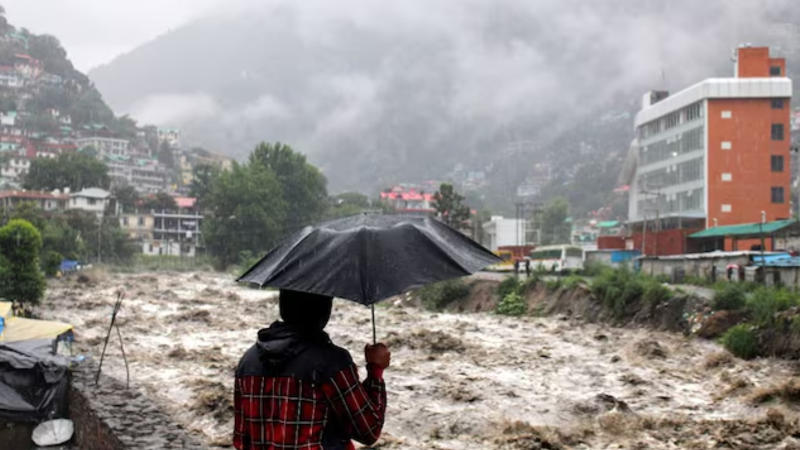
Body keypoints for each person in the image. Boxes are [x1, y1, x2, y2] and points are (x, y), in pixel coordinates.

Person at [234, 289, 390, 450]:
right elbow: (368, 430)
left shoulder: (248, 361)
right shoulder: (331, 362)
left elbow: (241, 440)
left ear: (283, 306)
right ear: (325, 311)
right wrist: (375, 370)